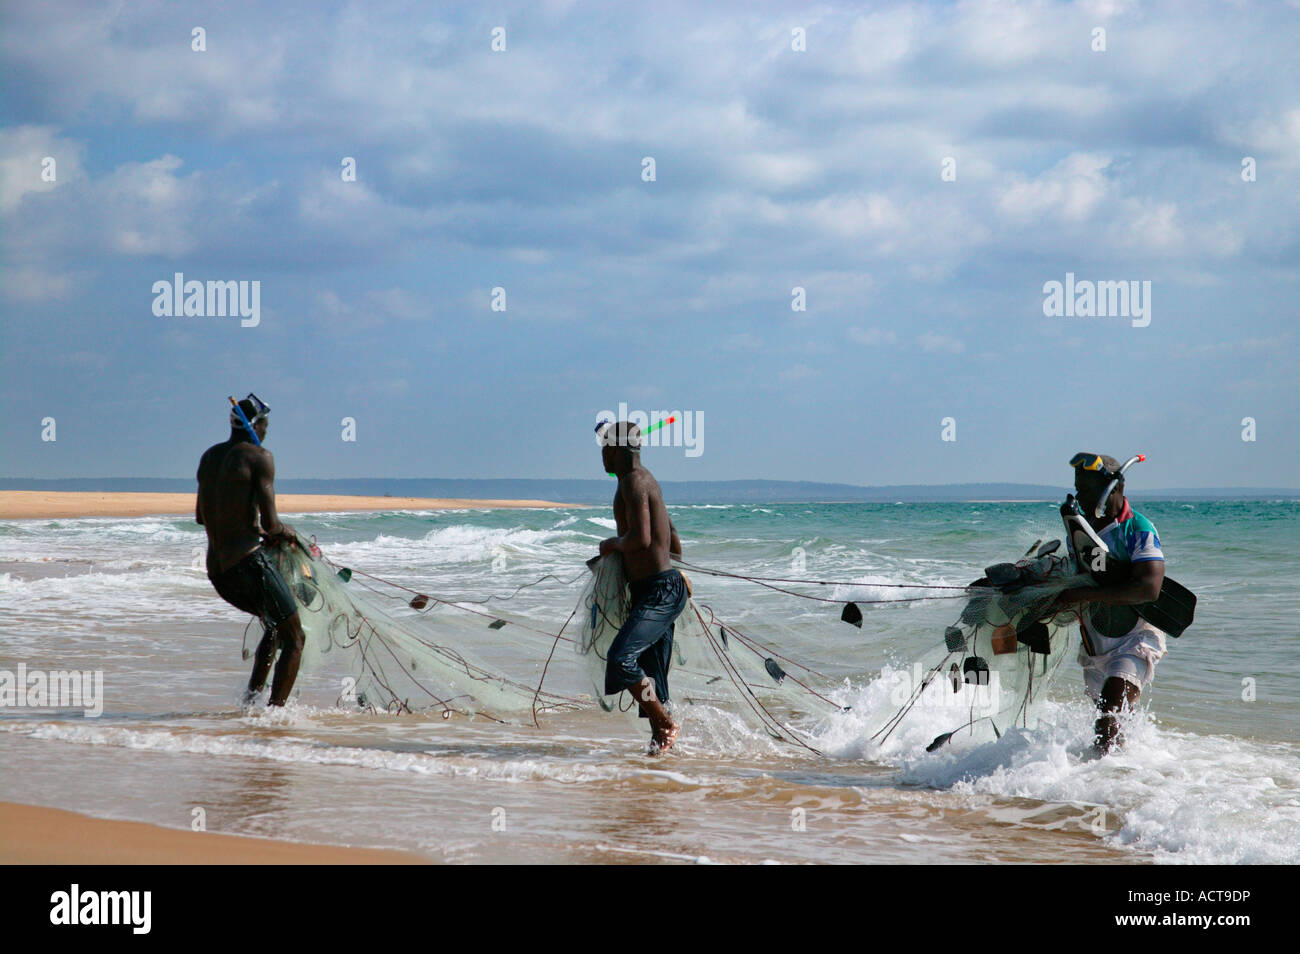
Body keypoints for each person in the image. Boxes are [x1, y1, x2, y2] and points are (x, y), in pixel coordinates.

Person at [196, 394, 306, 706]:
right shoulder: (260, 457)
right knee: (296, 637)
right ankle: (275, 716)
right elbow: (272, 525)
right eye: (266, 425)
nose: (267, 431)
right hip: (249, 567)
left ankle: (250, 704)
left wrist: (250, 528)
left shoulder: (209, 457)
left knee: (273, 625)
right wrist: (287, 532)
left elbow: (202, 516)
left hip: (218, 572)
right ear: (255, 425)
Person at [1054, 453, 1168, 753]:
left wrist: (1084, 596)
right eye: (1077, 488)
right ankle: (1121, 781)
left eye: (1087, 489)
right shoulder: (1081, 531)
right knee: (1110, 725)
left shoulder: (1138, 529)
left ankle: (1099, 786)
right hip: (1095, 642)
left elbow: (1149, 588)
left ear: (1114, 489)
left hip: (1135, 639)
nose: (1080, 496)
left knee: (1108, 716)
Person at [595, 419, 688, 754]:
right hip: (660, 589)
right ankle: (660, 751)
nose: (602, 455)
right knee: (653, 677)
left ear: (620, 451)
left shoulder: (633, 483)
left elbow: (642, 538)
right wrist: (670, 572)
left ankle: (664, 724)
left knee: (621, 659)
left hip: (659, 592)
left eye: (606, 447)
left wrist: (613, 545)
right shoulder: (648, 481)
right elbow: (673, 540)